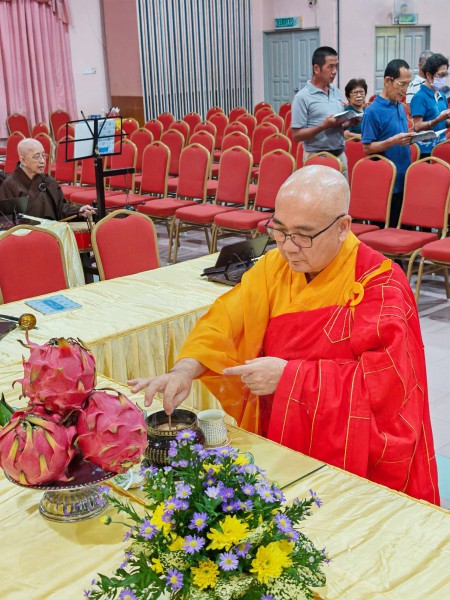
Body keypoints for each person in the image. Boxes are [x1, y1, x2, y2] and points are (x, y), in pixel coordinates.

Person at [130, 165, 439, 505]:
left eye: (304, 235)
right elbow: (224, 322)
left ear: (342, 228)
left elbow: (389, 390)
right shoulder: (273, 267)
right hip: (282, 427)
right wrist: (184, 370)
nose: (289, 247)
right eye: (279, 230)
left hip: (350, 454)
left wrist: (289, 377)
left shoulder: (379, 283)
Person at [361, 59, 415, 227]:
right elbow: (367, 148)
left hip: (404, 178)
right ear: (387, 81)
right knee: (387, 232)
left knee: (406, 232)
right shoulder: (373, 111)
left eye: (408, 85)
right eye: (401, 84)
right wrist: (392, 141)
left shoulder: (399, 106)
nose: (405, 90)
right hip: (386, 184)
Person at [291, 46, 356, 177]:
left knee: (343, 191)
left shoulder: (335, 92)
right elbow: (296, 135)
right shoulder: (302, 97)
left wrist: (349, 122)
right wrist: (323, 126)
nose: (334, 71)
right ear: (316, 69)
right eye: (330, 67)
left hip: (340, 156)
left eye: (336, 66)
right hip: (317, 159)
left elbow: (336, 125)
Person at [0, 138, 94, 221]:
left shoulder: (48, 181)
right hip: (26, 234)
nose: (42, 161)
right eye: (37, 157)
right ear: (23, 160)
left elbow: (61, 208)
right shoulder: (10, 185)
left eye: (44, 155)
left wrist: (79, 210)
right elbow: (7, 220)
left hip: (52, 232)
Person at [410, 53, 450, 158]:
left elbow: (443, 122)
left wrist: (447, 121)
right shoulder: (419, 97)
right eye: (440, 75)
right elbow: (417, 126)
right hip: (425, 151)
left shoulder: (442, 95)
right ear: (428, 75)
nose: (443, 79)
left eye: (445, 75)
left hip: (440, 148)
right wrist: (438, 119)